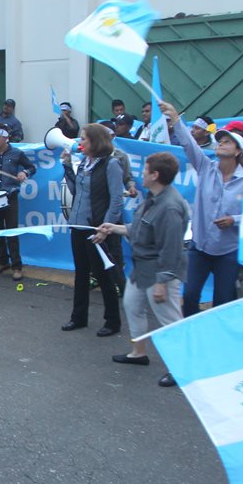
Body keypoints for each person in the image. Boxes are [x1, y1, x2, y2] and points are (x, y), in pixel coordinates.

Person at [96, 152, 190, 387]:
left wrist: (162, 282)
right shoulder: (154, 197)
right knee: (132, 305)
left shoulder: (170, 207)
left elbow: (171, 249)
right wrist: (113, 228)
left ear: (155, 175)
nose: (142, 174)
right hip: (143, 267)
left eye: (145, 170)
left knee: (169, 320)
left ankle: (181, 368)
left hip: (159, 271)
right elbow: (140, 228)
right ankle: (138, 353)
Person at [163, 102, 243, 315]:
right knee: (190, 295)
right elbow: (189, 145)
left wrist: (234, 220)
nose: (221, 144)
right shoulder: (205, 167)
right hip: (199, 247)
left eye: (227, 142)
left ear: (239, 151)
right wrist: (177, 120)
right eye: (220, 141)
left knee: (223, 300)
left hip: (228, 251)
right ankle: (191, 329)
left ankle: (217, 333)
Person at [60, 123, 125, 336]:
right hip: (79, 226)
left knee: (104, 275)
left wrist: (105, 228)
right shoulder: (84, 163)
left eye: (83, 139)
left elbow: (116, 200)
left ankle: (112, 321)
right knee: (81, 273)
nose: (80, 142)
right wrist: (67, 166)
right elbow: (75, 191)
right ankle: (78, 317)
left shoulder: (111, 165)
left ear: (95, 141)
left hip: (96, 228)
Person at [0, 127, 34, 281]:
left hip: (10, 196)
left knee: (11, 232)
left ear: (5, 138)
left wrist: (24, 173)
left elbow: (31, 167)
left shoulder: (17, 153)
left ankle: (17, 266)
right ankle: (2, 261)